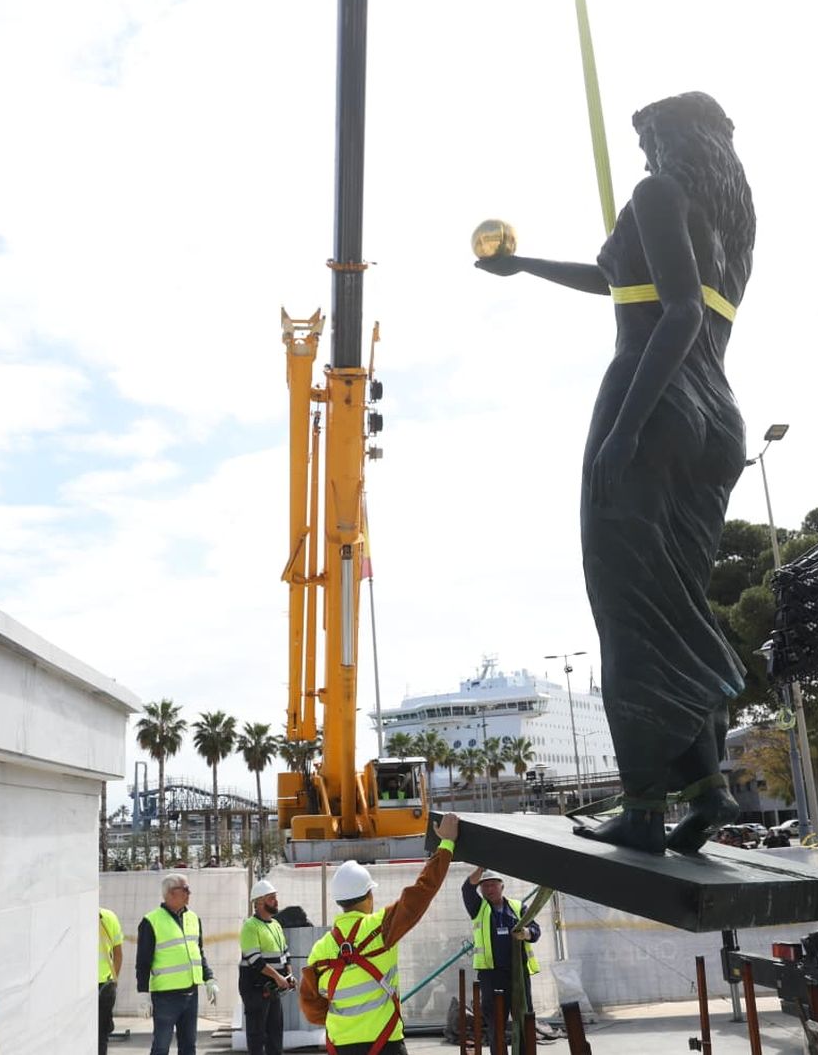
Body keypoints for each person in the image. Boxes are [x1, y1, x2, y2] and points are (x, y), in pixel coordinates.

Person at [476, 92, 756, 855]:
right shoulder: (732, 220)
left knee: (628, 613)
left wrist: (625, 427)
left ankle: (641, 808)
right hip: (717, 415)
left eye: (651, 140)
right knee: (671, 608)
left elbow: (676, 312)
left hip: (652, 395)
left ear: (677, 140)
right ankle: (706, 792)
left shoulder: (658, 193)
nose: (643, 158)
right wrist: (522, 264)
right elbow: (618, 279)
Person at [300, 813, 460, 1054]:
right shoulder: (380, 928)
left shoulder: (320, 948)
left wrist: (347, 1024)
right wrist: (446, 844)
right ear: (369, 896)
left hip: (341, 1046)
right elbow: (422, 892)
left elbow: (310, 1007)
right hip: (385, 1044)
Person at [136, 874, 219, 1055]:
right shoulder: (151, 921)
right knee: (161, 1047)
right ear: (171, 893)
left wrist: (209, 978)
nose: (190, 893)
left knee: (189, 1046)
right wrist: (143, 993)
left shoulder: (194, 919)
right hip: (166, 996)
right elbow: (143, 961)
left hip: (191, 993)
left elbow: (198, 953)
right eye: (186, 889)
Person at [462, 866, 541, 1055]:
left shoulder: (517, 907)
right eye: (485, 886)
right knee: (496, 1022)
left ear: (502, 886)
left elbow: (536, 931)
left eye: (492, 885)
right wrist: (481, 868)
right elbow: (466, 888)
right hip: (492, 975)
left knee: (523, 1019)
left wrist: (527, 933)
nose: (489, 889)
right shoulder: (477, 908)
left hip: (518, 974)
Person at [239, 879, 294, 1055]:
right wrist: (277, 978)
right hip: (256, 990)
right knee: (257, 1037)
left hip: (273, 989)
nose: (276, 901)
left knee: (275, 1034)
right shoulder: (250, 926)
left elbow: (285, 954)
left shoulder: (276, 925)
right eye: (271, 898)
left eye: (275, 897)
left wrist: (289, 975)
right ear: (259, 902)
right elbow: (255, 960)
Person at [99, 906, 125, 1055]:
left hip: (100, 986)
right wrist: (113, 981)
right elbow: (118, 954)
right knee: (101, 1035)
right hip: (106, 985)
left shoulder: (107, 917)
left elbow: (118, 954)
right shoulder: (109, 916)